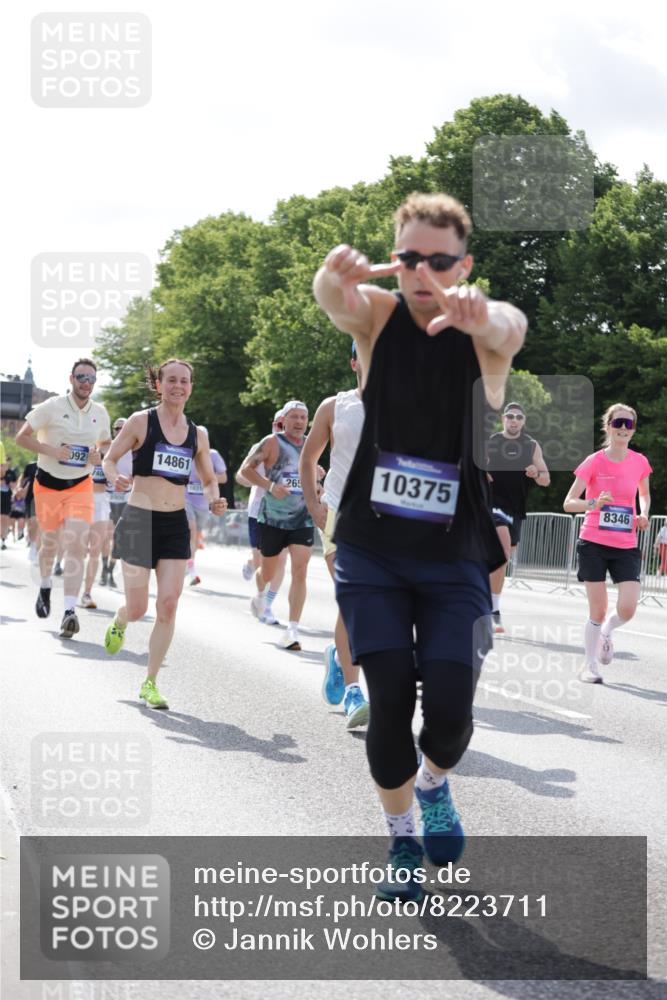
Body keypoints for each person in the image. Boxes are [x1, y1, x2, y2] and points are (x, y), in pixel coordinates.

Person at [313, 192, 526, 899]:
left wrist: (483, 311)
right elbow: (333, 300)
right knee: (388, 695)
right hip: (373, 547)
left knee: (452, 708)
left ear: (462, 265)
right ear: (393, 259)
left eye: (439, 260)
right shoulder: (377, 317)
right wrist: (332, 273)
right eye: (408, 257)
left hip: (453, 549)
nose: (421, 271)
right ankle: (401, 835)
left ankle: (434, 783)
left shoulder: (480, 332)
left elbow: (513, 329)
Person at [102, 358, 227, 709]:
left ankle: (150, 682)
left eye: (184, 381)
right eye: (170, 380)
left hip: (174, 524)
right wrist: (115, 478)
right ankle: (121, 618)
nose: (177, 386)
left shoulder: (197, 433)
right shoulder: (142, 421)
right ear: (158, 385)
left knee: (168, 605)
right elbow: (109, 460)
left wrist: (215, 500)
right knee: (139, 607)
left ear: (191, 386)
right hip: (139, 520)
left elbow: (207, 480)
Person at [300, 343, 370, 728]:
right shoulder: (334, 406)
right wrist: (314, 505)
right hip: (340, 515)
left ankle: (338, 655)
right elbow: (309, 459)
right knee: (355, 595)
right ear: (354, 361)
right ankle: (354, 690)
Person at [15, 359, 111, 637]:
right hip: (47, 486)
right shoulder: (51, 407)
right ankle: (45, 585)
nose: (86, 383)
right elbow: (21, 437)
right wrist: (52, 451)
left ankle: (70, 610)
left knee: (77, 544)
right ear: (71, 379)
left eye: (91, 379)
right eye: (81, 377)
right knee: (50, 546)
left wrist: (98, 454)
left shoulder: (100, 412)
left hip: (80, 485)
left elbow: (104, 442)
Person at [563, 403, 651, 684]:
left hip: (625, 542)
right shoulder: (593, 462)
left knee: (628, 608)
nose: (623, 429)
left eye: (629, 424)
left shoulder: (639, 462)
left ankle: (607, 632)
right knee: (598, 609)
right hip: (593, 542)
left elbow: (644, 494)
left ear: (634, 429)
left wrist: (644, 513)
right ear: (608, 426)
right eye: (618, 423)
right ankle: (589, 666)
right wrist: (593, 503)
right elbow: (568, 503)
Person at [239, 401, 315, 650]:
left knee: (300, 570)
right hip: (272, 517)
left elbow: (307, 474)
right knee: (268, 570)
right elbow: (244, 470)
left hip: (302, 517)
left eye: (303, 417)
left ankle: (292, 629)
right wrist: (270, 486)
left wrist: (318, 479)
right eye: (294, 416)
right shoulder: (271, 442)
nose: (299, 421)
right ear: (284, 419)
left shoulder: (311, 444)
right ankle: (261, 596)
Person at [486, 402, 550, 633]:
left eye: (518, 417)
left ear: (523, 421)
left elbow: (546, 479)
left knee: (502, 559)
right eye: (510, 416)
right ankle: (493, 611)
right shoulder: (491, 442)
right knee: (501, 551)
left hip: (515, 509)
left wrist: (536, 473)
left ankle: (484, 599)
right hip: (490, 505)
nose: (514, 420)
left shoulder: (531, 446)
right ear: (503, 419)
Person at [236, 409, 287, 625]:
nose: (282, 429)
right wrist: (262, 482)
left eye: (287, 424)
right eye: (279, 424)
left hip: (287, 515)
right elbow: (240, 476)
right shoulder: (262, 447)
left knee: (281, 561)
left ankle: (266, 604)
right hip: (260, 512)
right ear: (274, 425)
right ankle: (251, 563)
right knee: (263, 562)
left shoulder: (302, 449)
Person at [185, 428, 227, 586]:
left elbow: (223, 477)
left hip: (203, 503)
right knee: (191, 530)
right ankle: (191, 571)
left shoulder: (213, 455)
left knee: (194, 538)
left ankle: (189, 563)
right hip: (185, 499)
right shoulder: (186, 452)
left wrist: (207, 475)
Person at [79, 453, 113, 608]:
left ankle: (87, 593)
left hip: (102, 502)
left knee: (95, 552)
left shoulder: (114, 451)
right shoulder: (86, 445)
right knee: (78, 551)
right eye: (117, 427)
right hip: (82, 501)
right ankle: (73, 589)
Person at [105, 417, 132, 587]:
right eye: (117, 428)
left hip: (125, 498)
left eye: (124, 428)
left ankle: (109, 570)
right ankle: (103, 570)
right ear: (113, 430)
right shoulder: (105, 448)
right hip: (106, 498)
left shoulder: (135, 450)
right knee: (105, 536)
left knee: (118, 538)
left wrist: (131, 480)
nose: (120, 431)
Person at [1, 455, 18, 548]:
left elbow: (14, 485)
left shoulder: (12, 473)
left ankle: (3, 540)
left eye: (8, 461)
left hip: (7, 497)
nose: (6, 463)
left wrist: (8, 482)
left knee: (5, 519)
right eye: (5, 461)